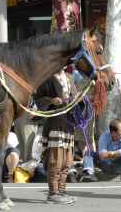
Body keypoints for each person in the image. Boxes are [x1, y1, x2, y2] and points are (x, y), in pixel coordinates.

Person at [39, 70, 76, 204]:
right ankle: (53, 192)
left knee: (67, 161)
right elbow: (38, 98)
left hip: (68, 124)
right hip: (54, 124)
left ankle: (62, 190)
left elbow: (75, 97)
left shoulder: (69, 77)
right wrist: (51, 100)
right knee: (56, 160)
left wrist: (77, 100)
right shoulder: (47, 78)